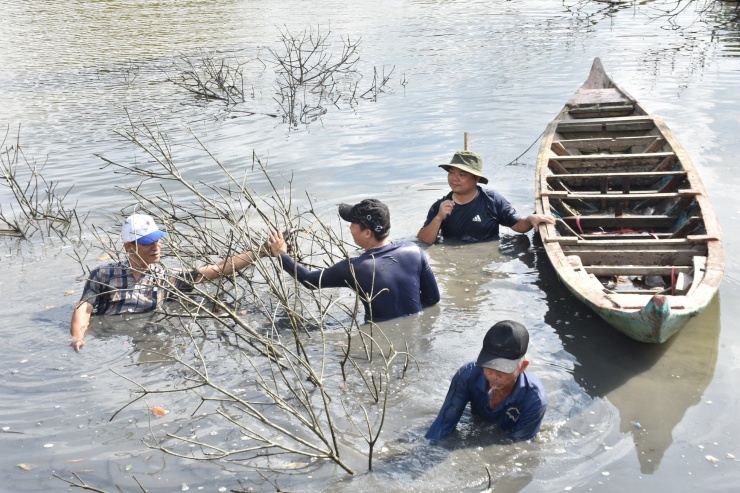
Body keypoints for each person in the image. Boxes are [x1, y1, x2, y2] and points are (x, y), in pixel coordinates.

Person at [70, 213, 263, 352]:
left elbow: (217, 270)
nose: (156, 247)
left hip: (143, 333)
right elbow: (84, 308)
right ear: (129, 246)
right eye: (148, 242)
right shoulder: (104, 275)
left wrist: (262, 251)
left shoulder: (165, 279)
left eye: (158, 240)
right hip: (109, 339)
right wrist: (78, 337)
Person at [267, 199, 440, 323]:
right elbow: (433, 299)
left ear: (367, 233)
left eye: (353, 224)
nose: (349, 228)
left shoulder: (356, 267)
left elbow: (310, 280)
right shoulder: (414, 251)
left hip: (378, 337)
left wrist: (281, 254)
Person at [425, 320, 547, 442]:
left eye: (503, 370)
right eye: (489, 366)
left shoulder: (534, 400)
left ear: (523, 367)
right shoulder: (468, 374)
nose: (493, 375)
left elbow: (515, 447)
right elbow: (443, 424)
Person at [417, 150, 555, 244]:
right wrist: (438, 218)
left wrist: (530, 219)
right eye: (451, 173)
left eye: (462, 175)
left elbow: (518, 226)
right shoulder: (440, 206)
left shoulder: (492, 200)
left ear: (476, 178)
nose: (454, 179)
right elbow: (424, 241)